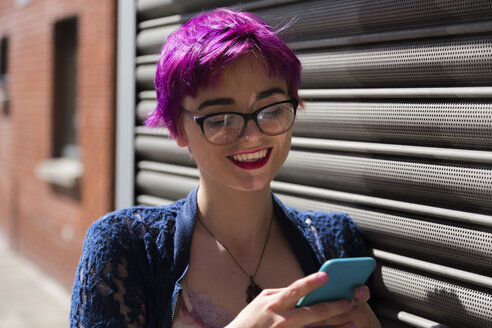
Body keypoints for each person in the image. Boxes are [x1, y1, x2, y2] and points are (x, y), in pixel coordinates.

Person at [70, 8, 381, 328]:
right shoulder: (125, 245)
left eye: (272, 109)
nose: (253, 135)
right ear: (177, 129)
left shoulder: (336, 241)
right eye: (219, 119)